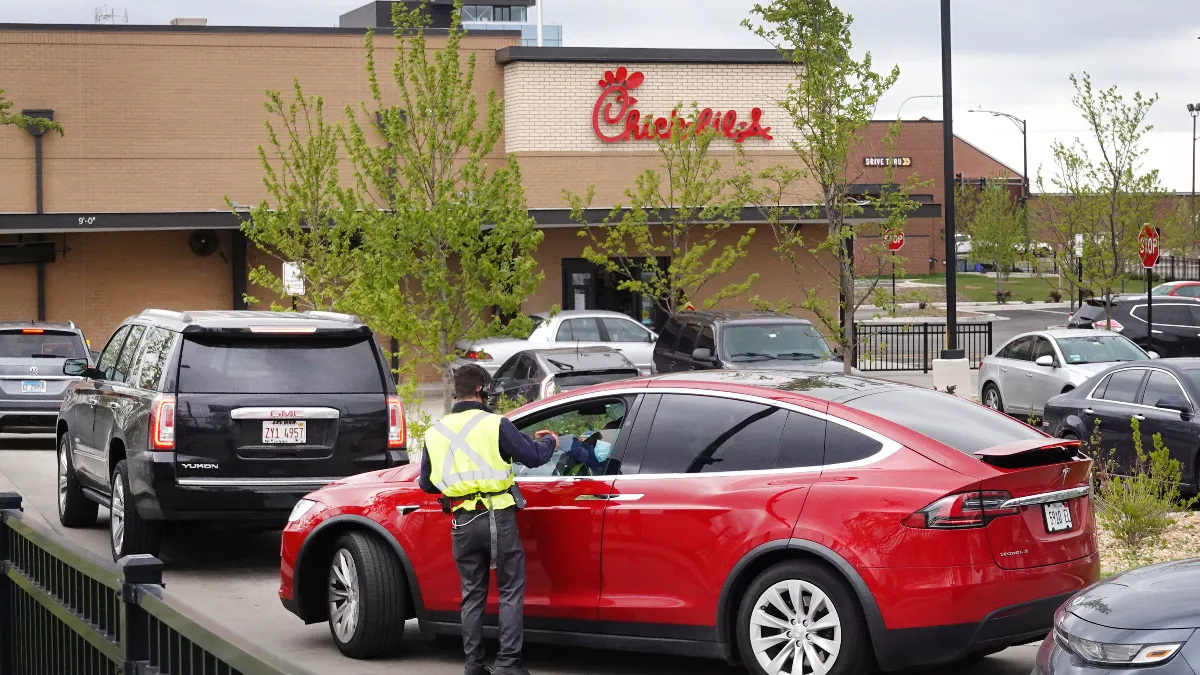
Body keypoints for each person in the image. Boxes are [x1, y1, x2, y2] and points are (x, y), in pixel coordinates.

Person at [419, 364, 558, 675]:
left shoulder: (435, 432)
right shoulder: (496, 424)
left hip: (461, 521)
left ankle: (473, 666)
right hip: (498, 517)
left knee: (472, 592)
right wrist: (550, 441)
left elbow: (426, 484)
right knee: (509, 589)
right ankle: (508, 663)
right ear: (481, 389)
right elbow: (534, 457)